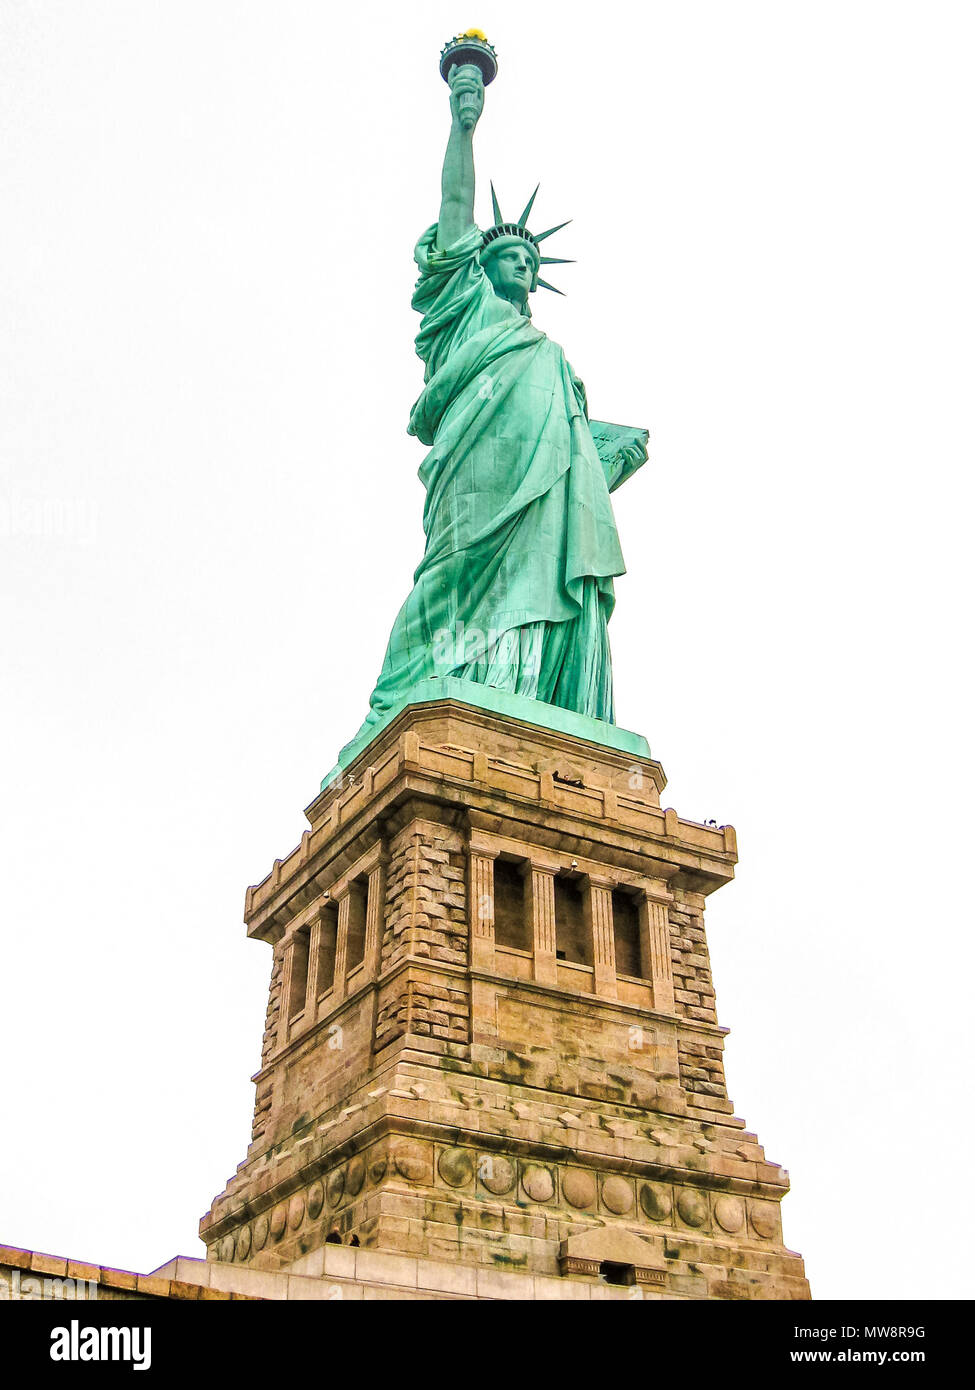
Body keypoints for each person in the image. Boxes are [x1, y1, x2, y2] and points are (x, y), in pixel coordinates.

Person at [343, 61, 647, 762]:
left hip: (546, 500)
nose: (519, 262)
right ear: (478, 268)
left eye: (527, 259)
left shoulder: (554, 358)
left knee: (540, 579)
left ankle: (531, 697)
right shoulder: (466, 314)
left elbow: (580, 455)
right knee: (448, 579)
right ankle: (408, 698)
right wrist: (462, 118)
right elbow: (456, 210)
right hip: (476, 477)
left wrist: (610, 455)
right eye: (505, 253)